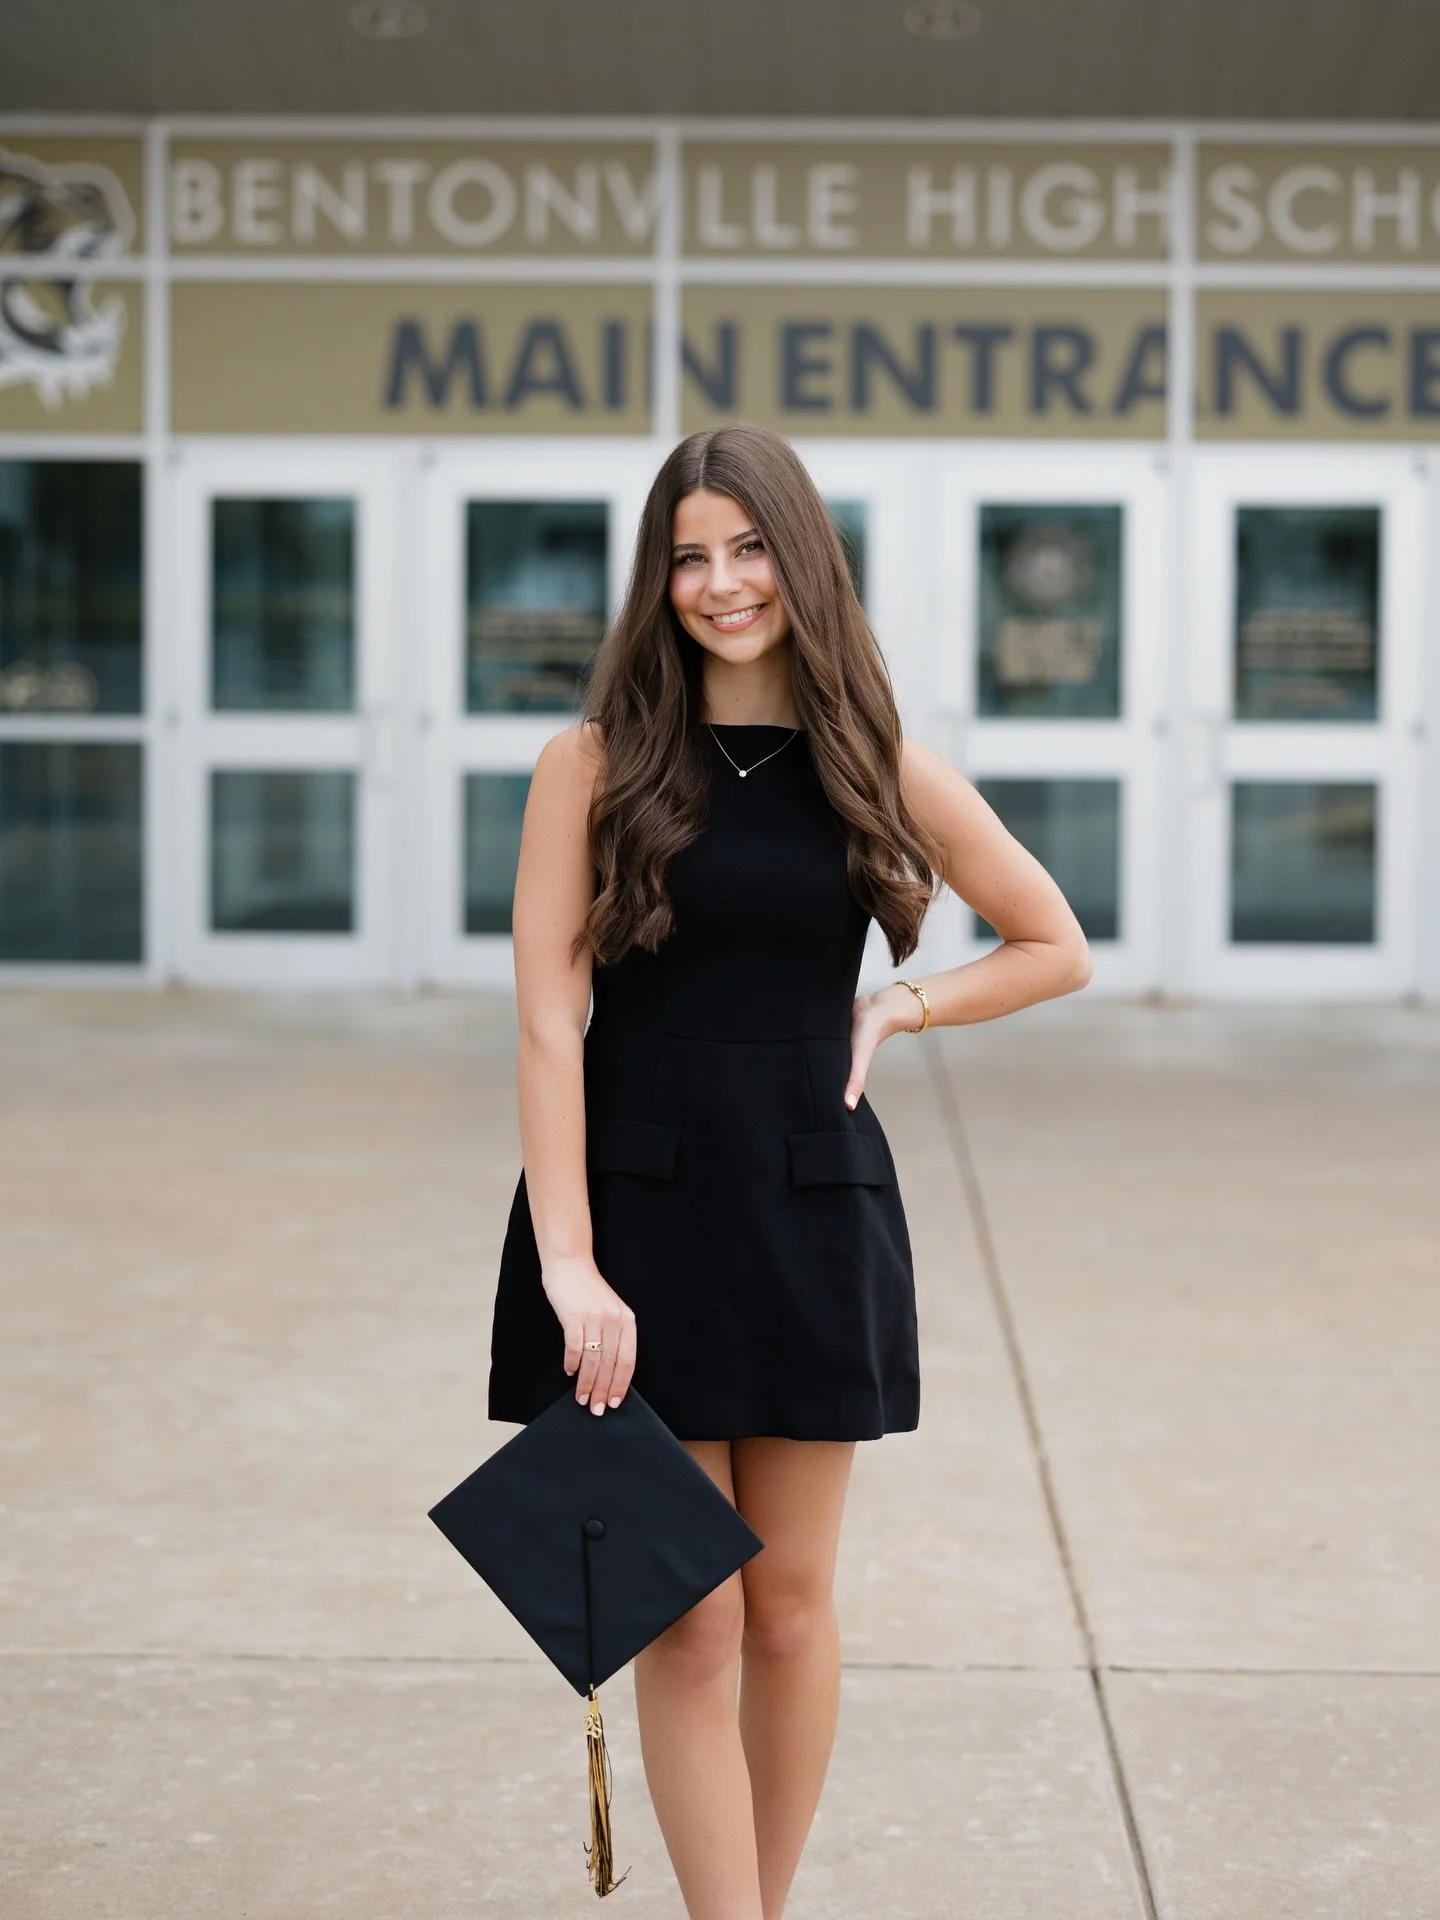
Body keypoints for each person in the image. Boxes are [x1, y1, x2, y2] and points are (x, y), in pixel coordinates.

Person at [487, 422, 1091, 1920]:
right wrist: (570, 1260)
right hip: (637, 1211)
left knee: (790, 1608)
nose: (719, 582)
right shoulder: (591, 761)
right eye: (688, 556)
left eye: (748, 548)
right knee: (683, 1618)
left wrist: (903, 1001)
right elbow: (550, 1019)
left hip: (811, 1202)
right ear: (658, 578)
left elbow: (1054, 942)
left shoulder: (872, 760)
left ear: (800, 558)